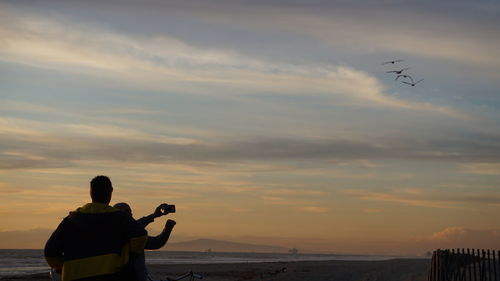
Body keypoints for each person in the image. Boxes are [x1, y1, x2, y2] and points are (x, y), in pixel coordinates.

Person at [44, 176, 148, 281]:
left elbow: (49, 252)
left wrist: (63, 266)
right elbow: (141, 236)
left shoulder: (71, 220)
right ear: (111, 192)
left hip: (75, 276)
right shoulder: (119, 217)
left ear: (91, 192)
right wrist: (128, 256)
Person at [113, 202, 176, 281]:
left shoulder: (109, 234)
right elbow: (157, 242)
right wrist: (168, 228)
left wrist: (154, 215)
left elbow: (136, 225)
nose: (131, 215)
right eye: (127, 213)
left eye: (130, 212)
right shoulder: (133, 237)